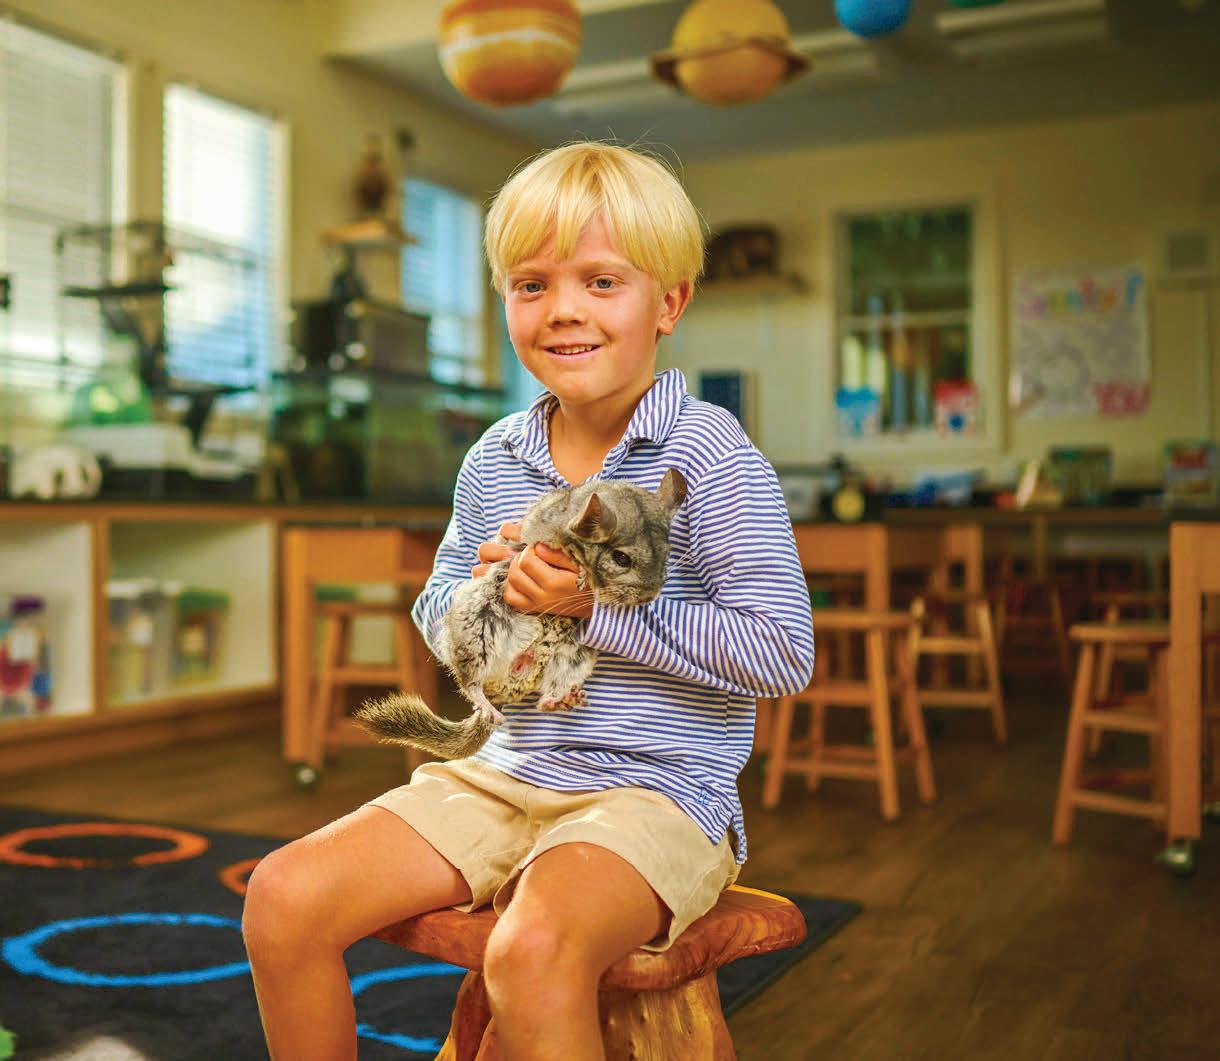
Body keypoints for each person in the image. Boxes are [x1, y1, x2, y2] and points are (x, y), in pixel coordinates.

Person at [242, 140, 816, 1060]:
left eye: (602, 281)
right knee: (281, 897)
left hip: (658, 794)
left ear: (668, 303)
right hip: (500, 773)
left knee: (533, 949)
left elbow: (783, 652)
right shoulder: (495, 456)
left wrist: (600, 607)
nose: (563, 309)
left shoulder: (709, 455)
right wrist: (485, 600)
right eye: (531, 284)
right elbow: (437, 608)